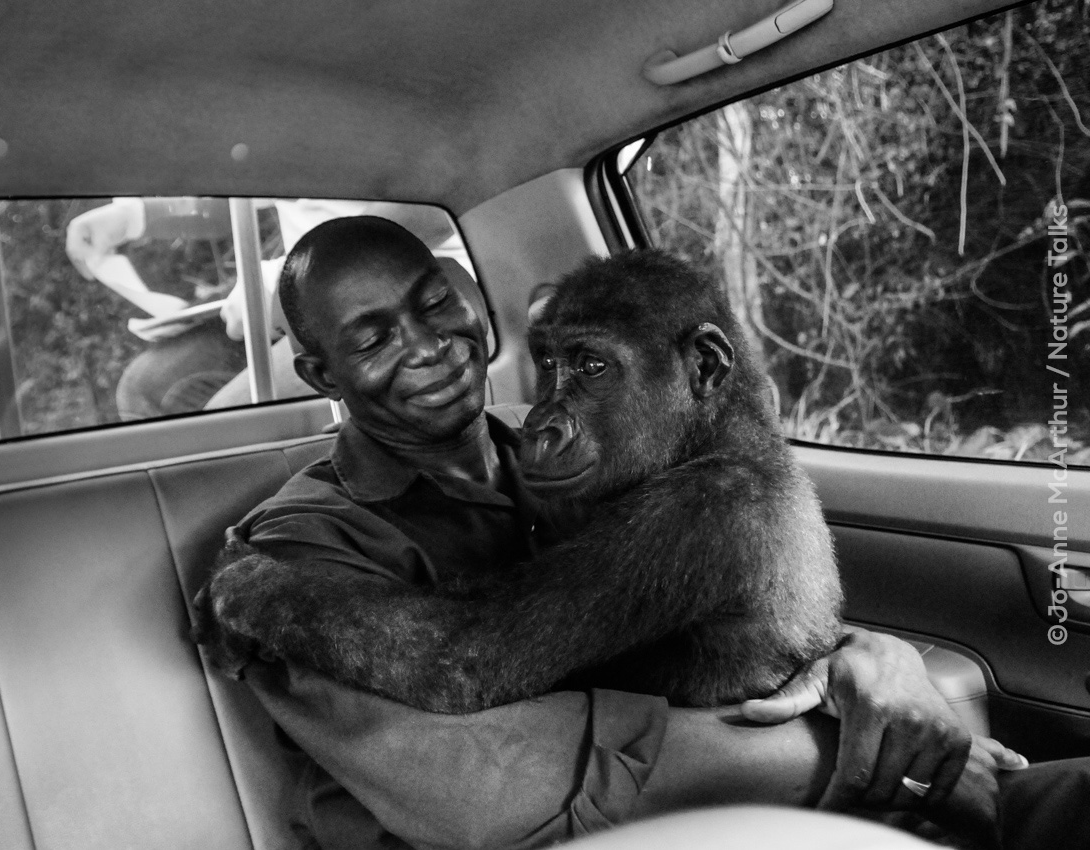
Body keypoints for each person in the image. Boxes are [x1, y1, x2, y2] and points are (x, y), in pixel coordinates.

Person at [196, 217, 1086, 850]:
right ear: (320, 372)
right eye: (374, 337)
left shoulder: (589, 454)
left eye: (437, 305)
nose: (432, 346)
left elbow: (715, 616)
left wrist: (861, 658)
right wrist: (868, 762)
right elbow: (484, 788)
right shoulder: (296, 549)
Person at [64, 197, 467, 417]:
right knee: (146, 385)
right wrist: (133, 218)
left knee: (222, 428)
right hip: (297, 300)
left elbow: (435, 198)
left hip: (404, 287)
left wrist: (293, 277)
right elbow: (242, 194)